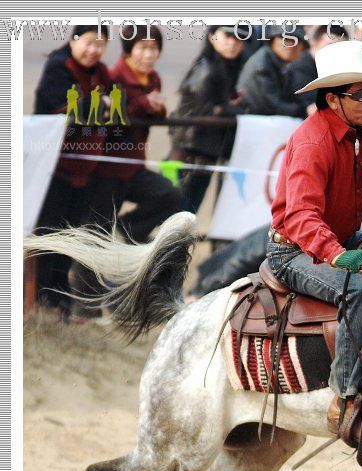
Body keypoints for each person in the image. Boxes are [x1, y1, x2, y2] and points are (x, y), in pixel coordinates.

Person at [266, 40, 362, 447]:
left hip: (340, 236)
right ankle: (343, 399)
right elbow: (299, 216)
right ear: (333, 99)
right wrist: (338, 255)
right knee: (359, 290)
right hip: (293, 251)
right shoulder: (312, 143)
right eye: (361, 94)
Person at [71, 25, 181, 318]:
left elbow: (155, 112)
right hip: (107, 166)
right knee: (95, 232)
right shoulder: (115, 76)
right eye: (142, 48)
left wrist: (154, 108)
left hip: (133, 165)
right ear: (129, 50)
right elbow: (119, 110)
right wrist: (146, 104)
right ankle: (87, 306)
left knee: (169, 196)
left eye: (154, 48)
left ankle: (126, 231)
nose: (148, 54)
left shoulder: (152, 77)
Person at [33, 24, 111, 316]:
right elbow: (57, 108)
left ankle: (60, 293)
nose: (94, 50)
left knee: (72, 232)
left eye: (100, 44)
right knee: (50, 231)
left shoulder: (101, 72)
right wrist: (96, 103)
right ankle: (43, 294)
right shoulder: (58, 67)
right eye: (89, 42)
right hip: (53, 166)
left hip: (85, 168)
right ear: (74, 39)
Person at [169, 25, 247, 214]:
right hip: (190, 150)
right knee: (181, 212)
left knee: (187, 211)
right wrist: (232, 107)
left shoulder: (225, 68)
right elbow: (207, 110)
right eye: (228, 35)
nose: (233, 43)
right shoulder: (207, 68)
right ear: (212, 36)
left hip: (204, 151)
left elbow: (218, 108)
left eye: (239, 38)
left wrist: (226, 107)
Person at [237, 25, 307, 117]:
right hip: (252, 124)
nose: (290, 45)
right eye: (285, 39)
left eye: (295, 40)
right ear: (272, 40)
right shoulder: (262, 64)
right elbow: (272, 106)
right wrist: (304, 110)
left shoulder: (282, 64)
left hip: (266, 122)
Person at [285, 24, 348, 116]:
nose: (334, 51)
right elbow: (312, 105)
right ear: (314, 43)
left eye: (340, 47)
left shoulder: (336, 67)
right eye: (329, 45)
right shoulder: (300, 68)